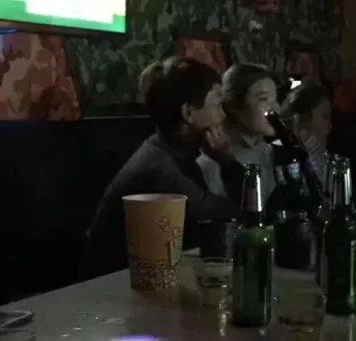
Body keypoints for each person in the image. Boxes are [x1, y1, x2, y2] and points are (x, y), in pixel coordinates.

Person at [79, 57, 243, 280]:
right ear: (188, 113)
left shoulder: (176, 154)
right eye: (216, 105)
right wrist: (226, 161)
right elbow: (229, 219)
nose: (222, 115)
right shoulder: (158, 169)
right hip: (106, 291)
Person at [198, 63, 278, 205]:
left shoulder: (267, 150)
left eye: (275, 99)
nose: (275, 109)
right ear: (234, 105)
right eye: (263, 99)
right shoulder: (213, 156)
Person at [279, 80, 332, 185]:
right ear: (299, 120)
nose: (330, 125)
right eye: (325, 117)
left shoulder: (323, 158)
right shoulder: (280, 162)